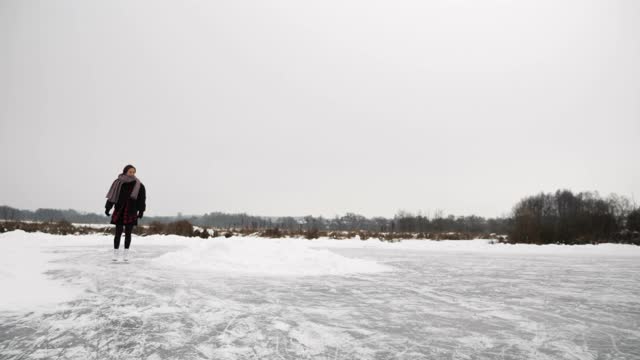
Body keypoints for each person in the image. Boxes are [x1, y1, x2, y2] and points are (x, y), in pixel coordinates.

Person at [105, 164, 146, 262]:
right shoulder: (118, 183)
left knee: (128, 233)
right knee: (118, 233)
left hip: (131, 211)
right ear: (125, 171)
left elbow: (142, 199)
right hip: (119, 210)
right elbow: (112, 196)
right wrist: (108, 208)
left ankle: (126, 254)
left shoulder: (139, 184)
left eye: (133, 172)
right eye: (130, 172)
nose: (132, 174)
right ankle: (115, 253)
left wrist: (141, 211)